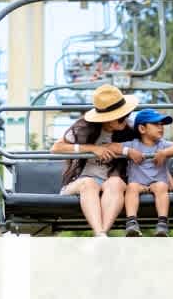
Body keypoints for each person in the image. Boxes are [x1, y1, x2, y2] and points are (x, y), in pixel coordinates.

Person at [50, 84, 138, 237]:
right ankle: (100, 233)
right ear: (109, 119)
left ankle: (101, 235)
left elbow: (151, 148)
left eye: (127, 115)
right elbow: (56, 148)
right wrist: (91, 148)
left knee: (116, 182)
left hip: (110, 182)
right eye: (121, 117)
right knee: (89, 183)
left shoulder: (128, 132)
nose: (126, 119)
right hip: (81, 181)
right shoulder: (84, 128)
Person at [120, 109, 173, 237]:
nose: (161, 127)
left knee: (162, 186)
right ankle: (131, 222)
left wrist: (165, 153)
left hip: (157, 183)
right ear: (142, 128)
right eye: (156, 124)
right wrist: (127, 151)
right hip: (138, 183)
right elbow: (110, 147)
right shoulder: (133, 145)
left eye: (162, 124)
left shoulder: (162, 145)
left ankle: (162, 223)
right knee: (131, 187)